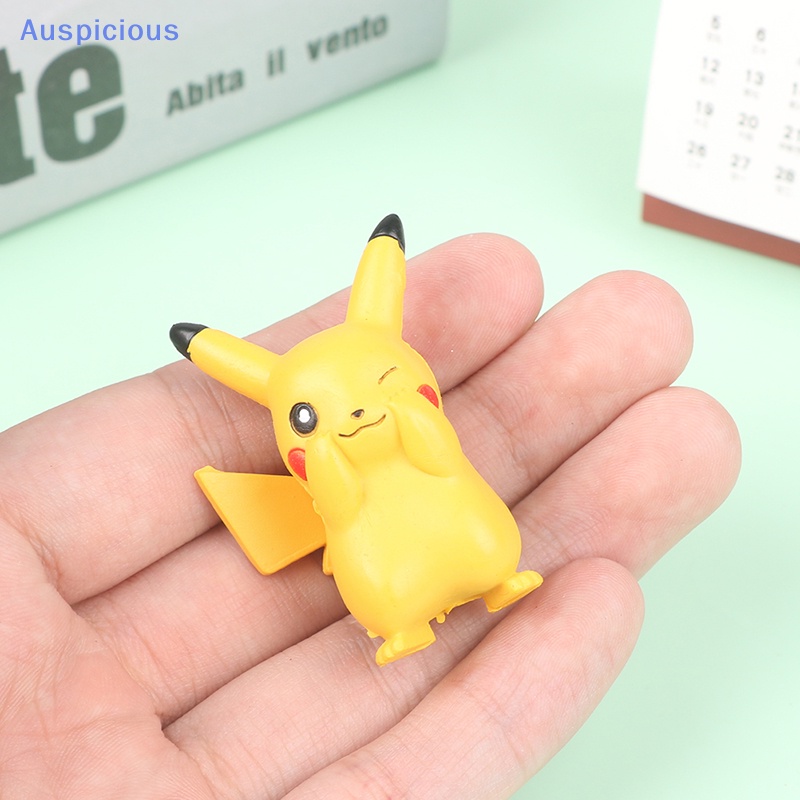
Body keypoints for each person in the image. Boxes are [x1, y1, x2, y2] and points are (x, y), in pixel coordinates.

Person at [0, 233, 740, 798]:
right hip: (380, 559)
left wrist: (414, 427)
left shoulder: (421, 428)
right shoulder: (329, 465)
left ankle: (497, 579)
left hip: (457, 522)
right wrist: (330, 468)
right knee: (381, 582)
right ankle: (406, 622)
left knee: (487, 538)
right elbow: (343, 507)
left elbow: (442, 459)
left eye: (380, 383)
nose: (352, 413)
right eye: (309, 416)